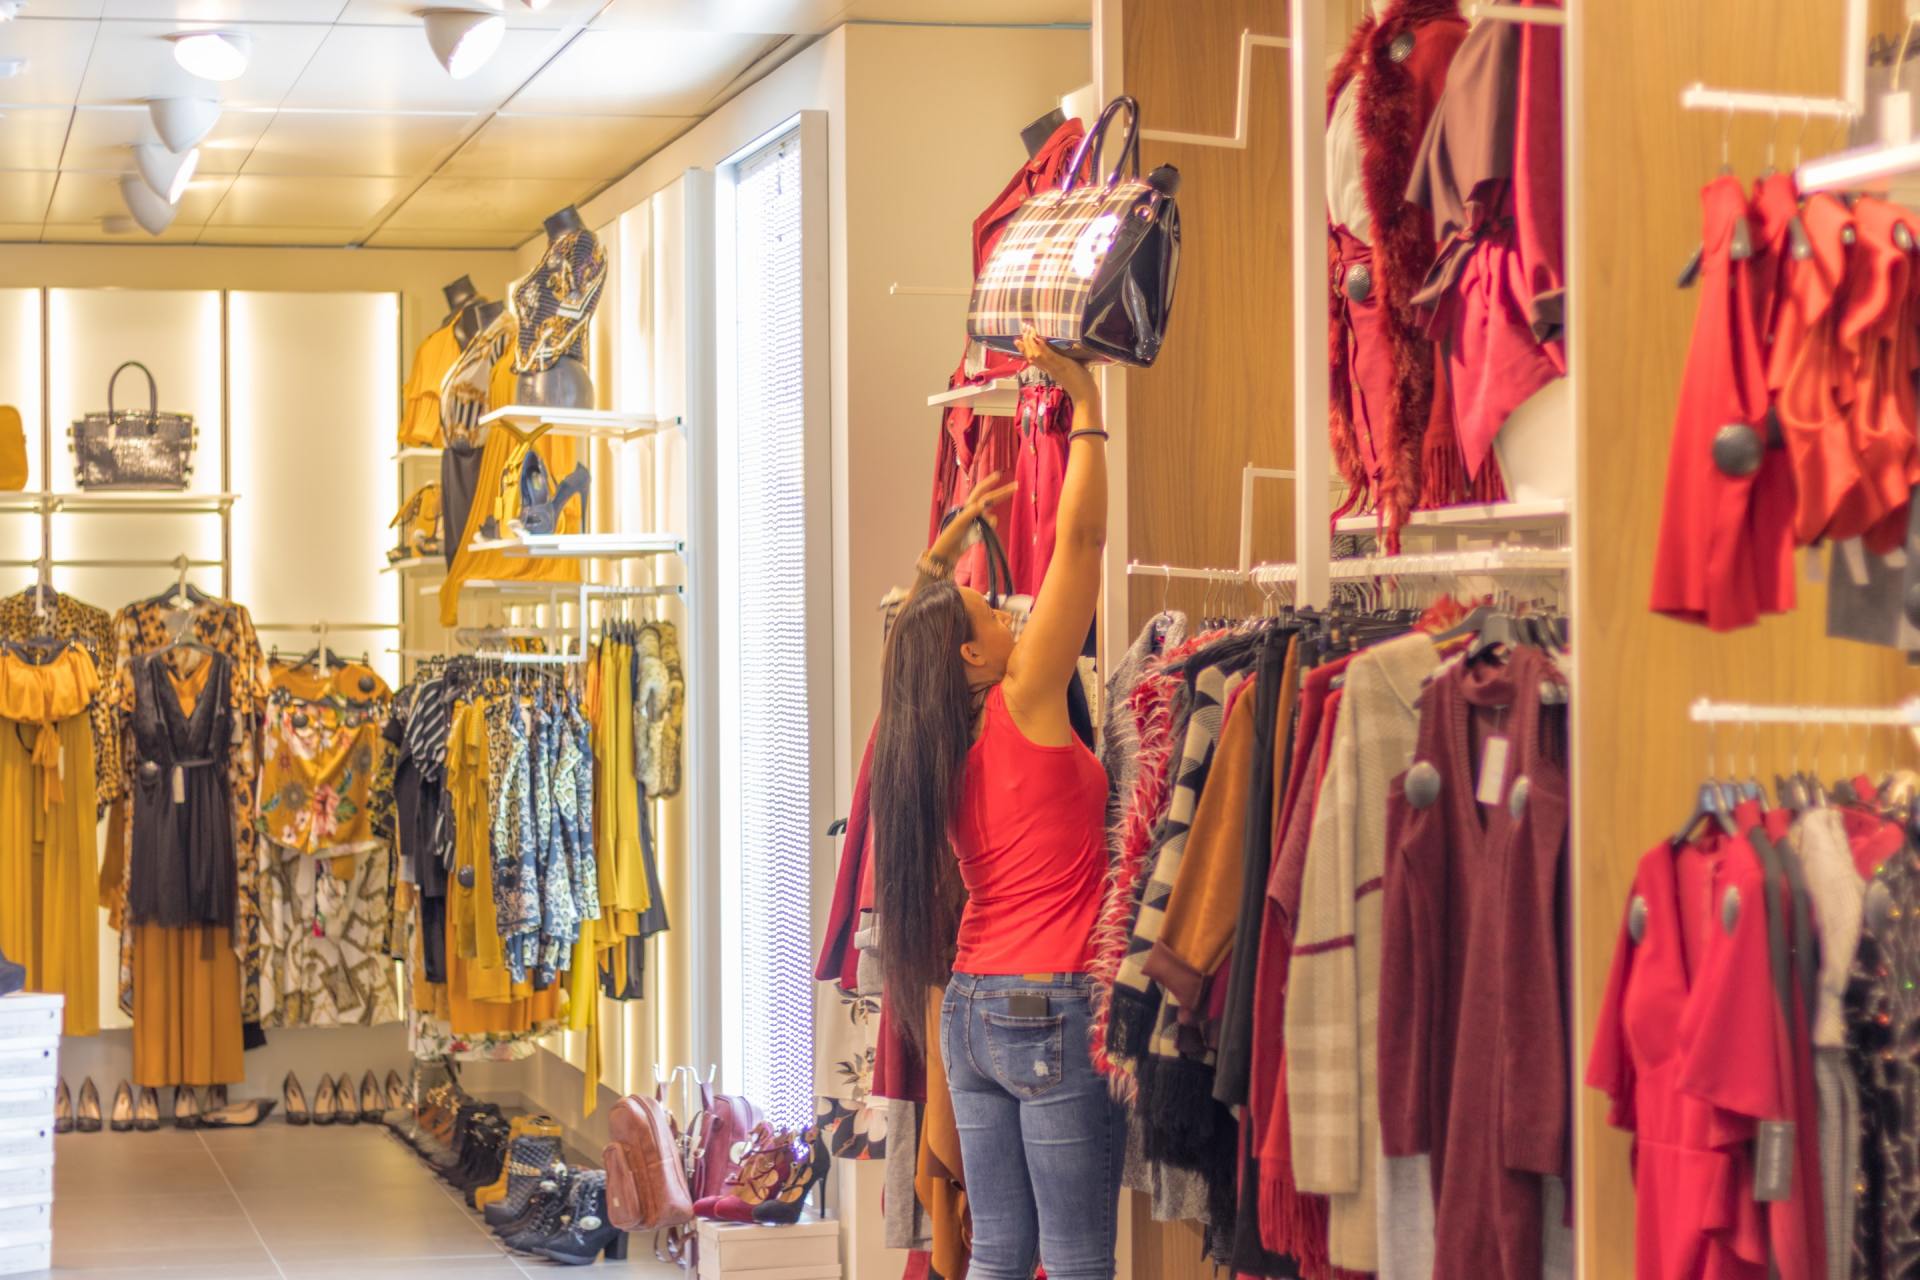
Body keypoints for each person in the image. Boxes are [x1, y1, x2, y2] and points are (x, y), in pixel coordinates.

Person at [872, 328, 1123, 1280]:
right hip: (1048, 1004)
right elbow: (1084, 543)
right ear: (976, 660)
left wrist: (946, 555)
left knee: (1001, 1257)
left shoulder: (926, 742)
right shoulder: (1026, 701)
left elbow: (912, 645)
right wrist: (1089, 410)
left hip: (971, 1017)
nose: (1011, 612)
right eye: (990, 614)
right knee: (1077, 1260)